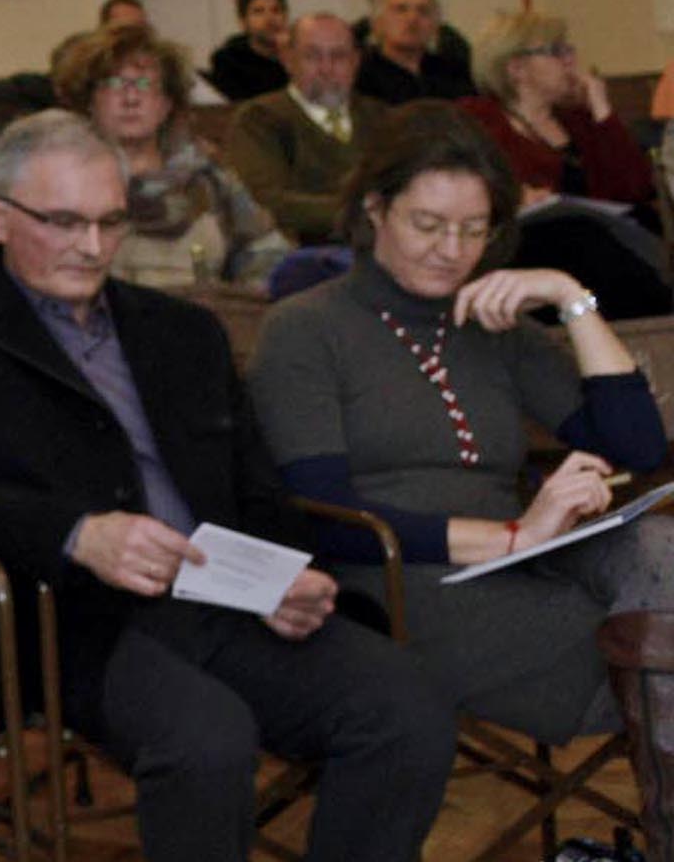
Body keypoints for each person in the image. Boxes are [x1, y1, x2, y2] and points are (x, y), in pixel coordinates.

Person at [0, 112, 454, 862]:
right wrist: (75, 534)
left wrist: (290, 572)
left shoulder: (177, 328)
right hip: (76, 616)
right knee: (206, 738)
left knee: (408, 708)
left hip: (227, 594)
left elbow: (259, 486)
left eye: (109, 221)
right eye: (63, 221)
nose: (93, 245)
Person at [250, 108, 673, 743]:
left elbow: (637, 447)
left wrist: (569, 297)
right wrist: (509, 538)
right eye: (428, 225)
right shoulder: (304, 328)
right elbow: (321, 513)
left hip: (521, 558)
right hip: (394, 581)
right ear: (374, 209)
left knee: (659, 550)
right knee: (642, 657)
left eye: (474, 230)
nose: (452, 251)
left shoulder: (490, 321)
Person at [56, 23, 290, 293]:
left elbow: (269, 253)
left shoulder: (209, 180)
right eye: (114, 83)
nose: (131, 97)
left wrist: (239, 302)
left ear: (166, 103)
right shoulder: (66, 187)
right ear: (89, 101)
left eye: (144, 84)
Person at [457, 10, 654, 213]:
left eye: (569, 50)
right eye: (556, 51)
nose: (570, 60)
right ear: (517, 68)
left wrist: (602, 110)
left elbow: (637, 189)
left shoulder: (577, 119)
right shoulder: (478, 121)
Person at [226, 14, 386, 248]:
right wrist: (358, 213)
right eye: (312, 56)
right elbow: (266, 201)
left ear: (356, 61)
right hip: (304, 256)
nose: (326, 68)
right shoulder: (258, 120)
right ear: (288, 59)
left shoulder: (382, 117)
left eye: (338, 56)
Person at [356, 0, 473, 105]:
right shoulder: (361, 78)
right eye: (401, 9)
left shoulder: (453, 74)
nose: (413, 18)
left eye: (423, 11)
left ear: (435, 25)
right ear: (377, 22)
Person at [206, 0, 294, 104]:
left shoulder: (300, 54)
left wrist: (288, 59)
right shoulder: (229, 61)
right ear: (243, 22)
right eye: (258, 12)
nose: (269, 19)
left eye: (276, 10)